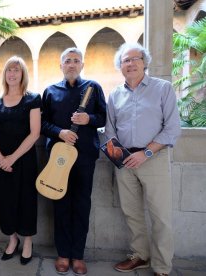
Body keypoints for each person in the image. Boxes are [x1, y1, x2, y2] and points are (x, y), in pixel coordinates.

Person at [105, 43, 181, 276]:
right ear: (121, 66)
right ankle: (140, 255)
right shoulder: (115, 94)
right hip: (124, 161)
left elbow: (172, 129)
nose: (130, 64)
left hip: (153, 158)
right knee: (132, 212)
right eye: (125, 60)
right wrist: (121, 157)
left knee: (161, 216)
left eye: (135, 59)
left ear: (145, 62)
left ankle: (162, 267)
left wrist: (145, 153)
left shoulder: (163, 88)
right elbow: (110, 131)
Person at [41, 47, 107, 275]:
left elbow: (104, 117)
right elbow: (42, 124)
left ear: (82, 65)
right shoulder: (50, 91)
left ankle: (78, 255)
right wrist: (59, 132)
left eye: (76, 61)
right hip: (58, 159)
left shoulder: (93, 88)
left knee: (81, 205)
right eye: (67, 61)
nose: (71, 64)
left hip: (85, 158)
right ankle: (63, 253)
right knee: (60, 205)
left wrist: (88, 118)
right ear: (61, 65)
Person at [0, 56, 41, 265]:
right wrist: (1, 158)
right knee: (6, 200)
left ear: (22, 74)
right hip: (2, 160)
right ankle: (12, 239)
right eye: (8, 70)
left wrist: (13, 157)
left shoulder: (33, 99)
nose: (12, 74)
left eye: (16, 70)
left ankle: (27, 241)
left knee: (26, 200)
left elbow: (35, 133)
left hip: (25, 158)